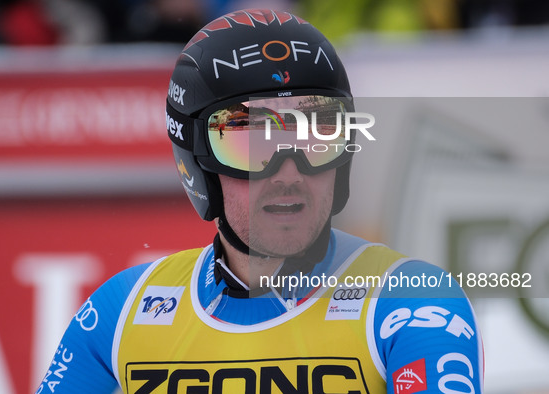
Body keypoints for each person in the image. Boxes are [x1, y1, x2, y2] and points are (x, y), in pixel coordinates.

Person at [36, 9, 483, 394]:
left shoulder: (410, 301)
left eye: (316, 135)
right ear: (198, 164)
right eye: (251, 142)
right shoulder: (120, 310)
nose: (289, 174)